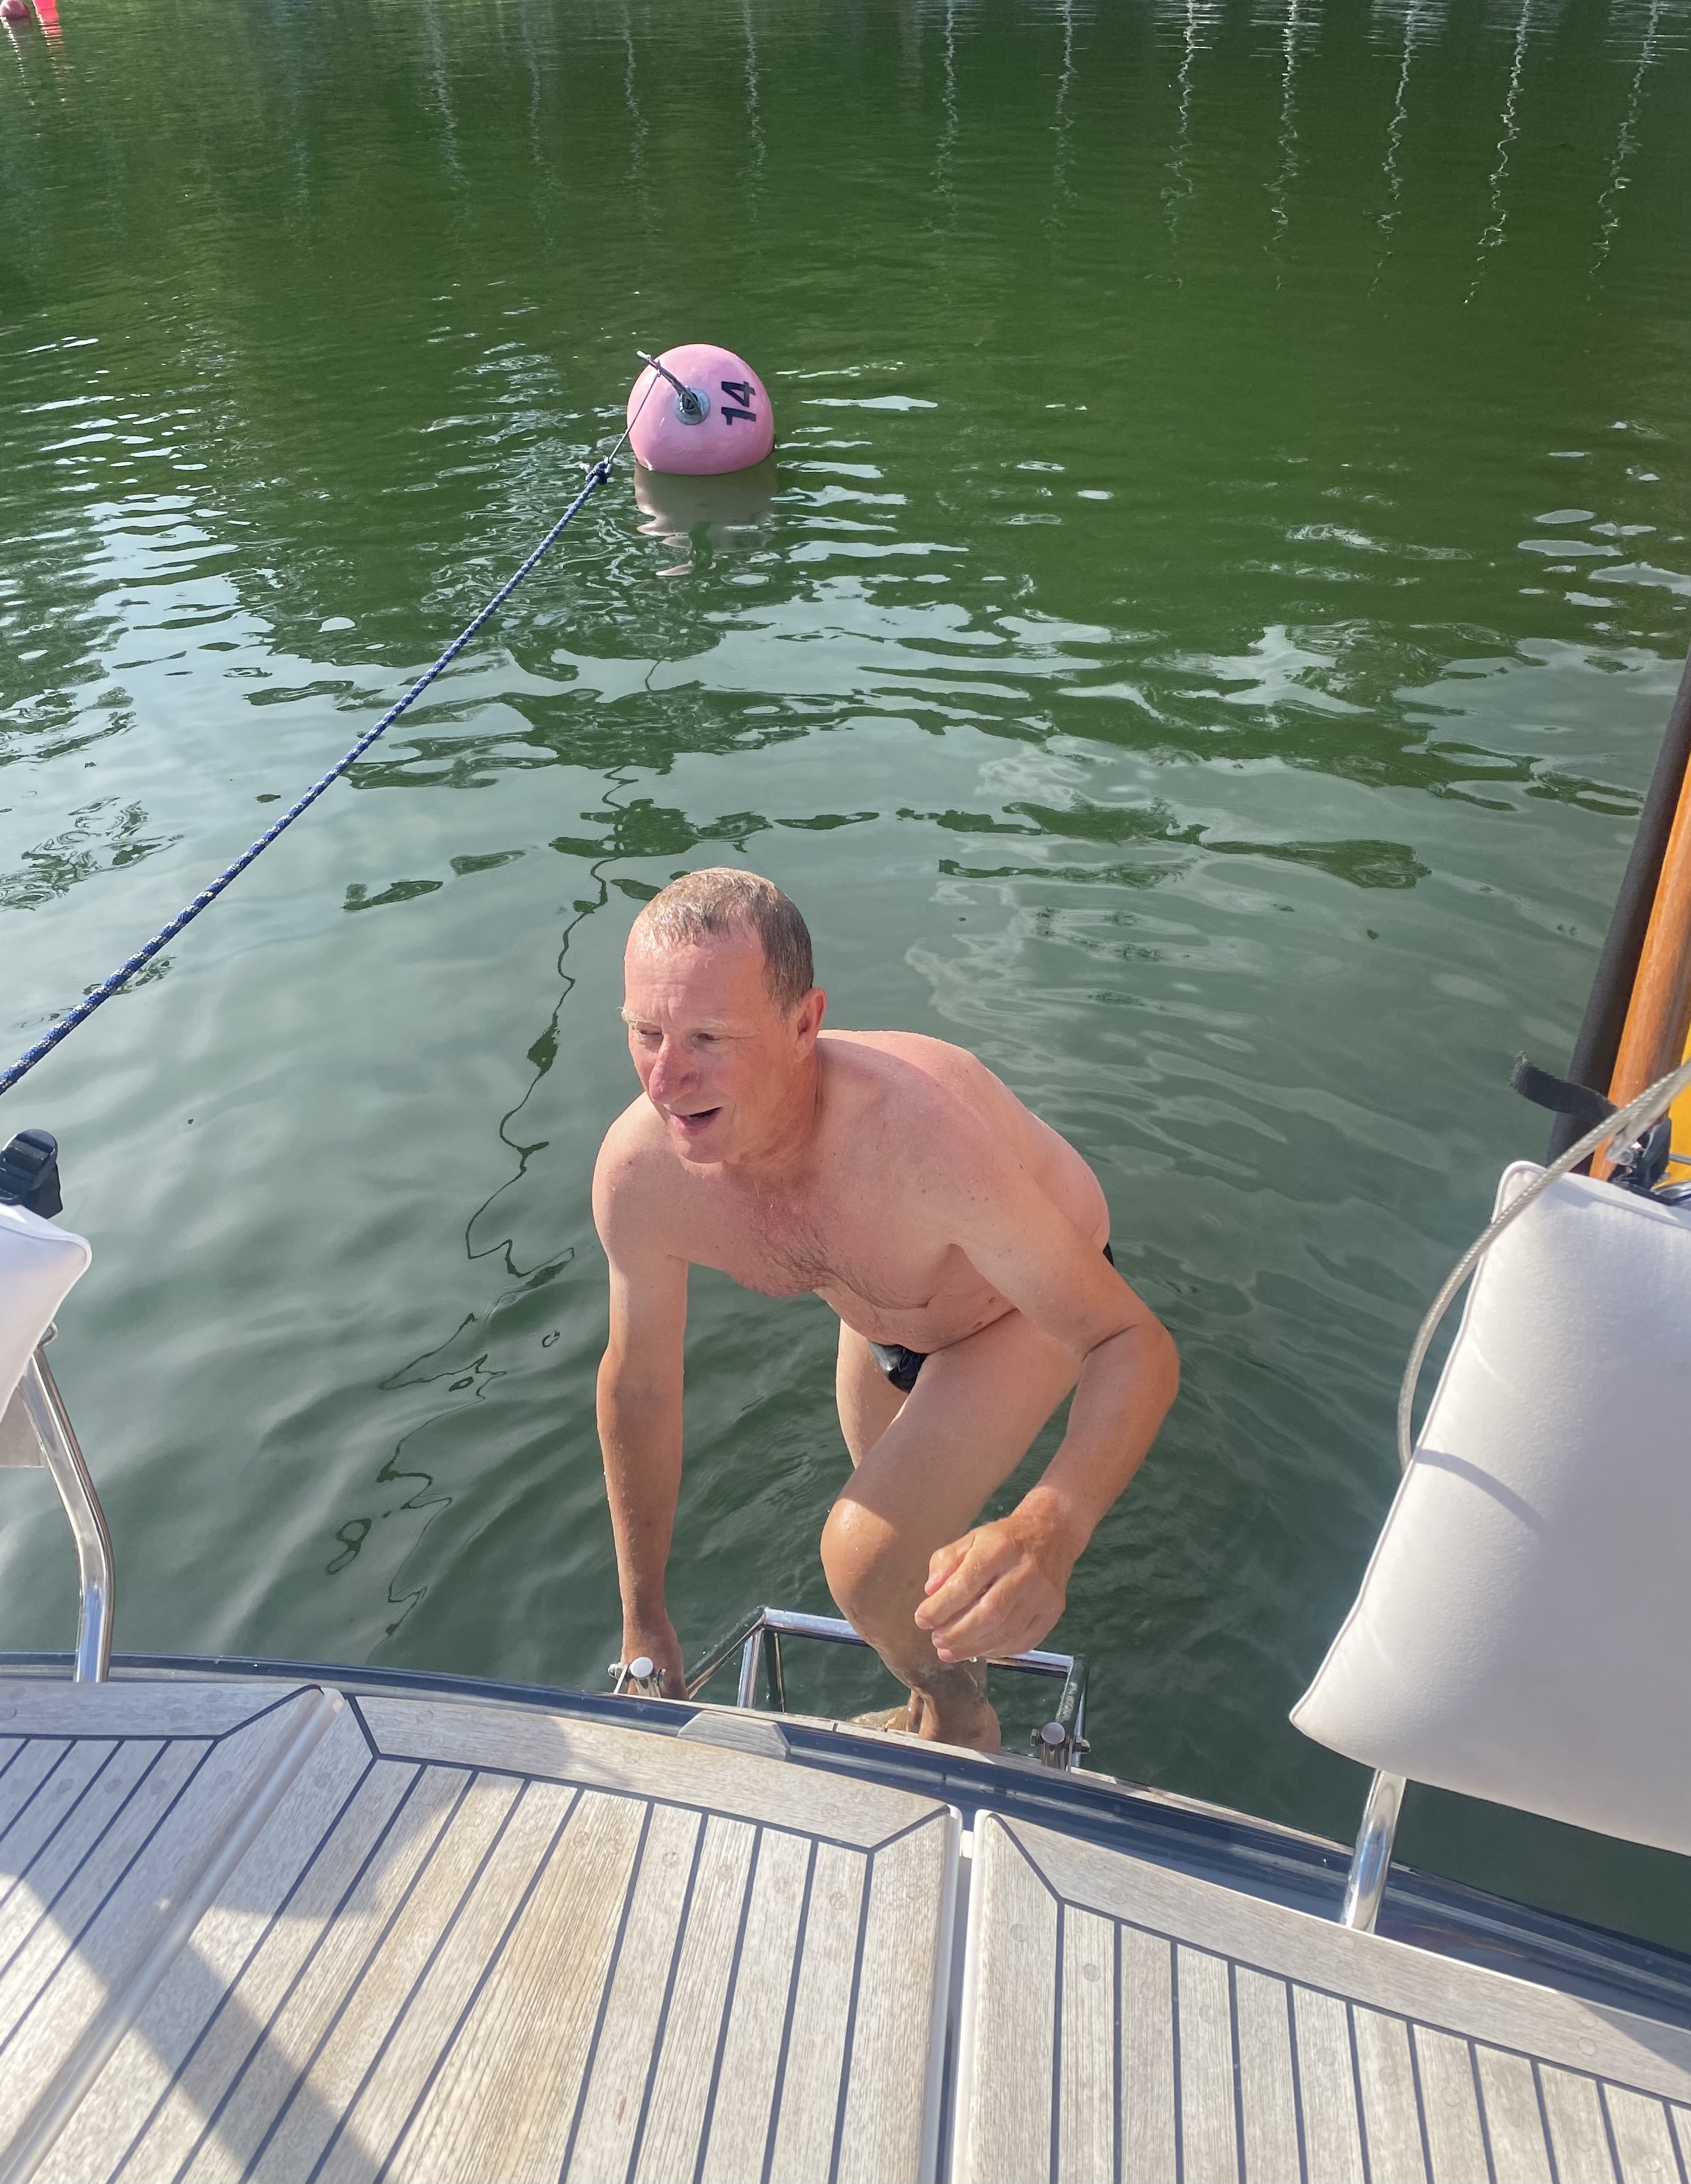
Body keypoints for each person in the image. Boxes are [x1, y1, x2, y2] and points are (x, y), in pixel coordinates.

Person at [593, 868, 1179, 1750]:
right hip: (882, 1314)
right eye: (646, 1032)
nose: (666, 1080)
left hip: (1019, 1310)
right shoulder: (641, 1174)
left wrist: (1050, 1528)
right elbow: (639, 1387)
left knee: (865, 1563)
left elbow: (1130, 1339)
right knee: (906, 1577)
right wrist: (643, 1624)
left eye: (709, 1038)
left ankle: (962, 1722)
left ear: (805, 1024)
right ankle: (937, 1690)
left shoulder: (920, 1140)